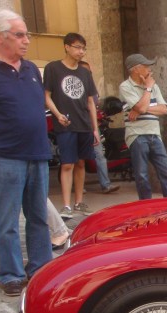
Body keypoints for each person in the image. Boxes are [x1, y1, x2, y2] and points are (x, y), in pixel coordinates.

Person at [0, 9, 52, 296]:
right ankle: (11, 274)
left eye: (27, 34)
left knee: (38, 216)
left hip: (37, 153)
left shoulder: (30, 70)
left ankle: (40, 268)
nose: (26, 41)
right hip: (4, 156)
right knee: (7, 220)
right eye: (19, 35)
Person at [44, 32, 100, 219]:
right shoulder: (53, 68)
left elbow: (91, 101)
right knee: (67, 163)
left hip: (83, 123)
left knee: (81, 163)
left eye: (83, 48)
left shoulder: (85, 72)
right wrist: (57, 114)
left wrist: (95, 128)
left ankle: (79, 202)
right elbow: (47, 96)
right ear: (66, 46)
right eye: (77, 47)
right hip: (65, 123)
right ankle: (66, 205)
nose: (81, 51)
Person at [119, 53, 167, 200]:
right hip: (137, 135)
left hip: (154, 134)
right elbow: (142, 107)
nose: (150, 69)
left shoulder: (154, 85)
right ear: (136, 69)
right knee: (142, 176)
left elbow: (163, 109)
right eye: (146, 66)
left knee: (166, 173)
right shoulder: (126, 86)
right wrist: (148, 89)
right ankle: (146, 207)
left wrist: (140, 109)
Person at [79, 60, 119, 195]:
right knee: (79, 159)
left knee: (100, 155)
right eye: (86, 72)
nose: (88, 74)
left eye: (89, 72)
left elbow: (95, 106)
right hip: (79, 127)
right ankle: (80, 186)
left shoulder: (92, 89)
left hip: (93, 127)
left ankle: (106, 184)